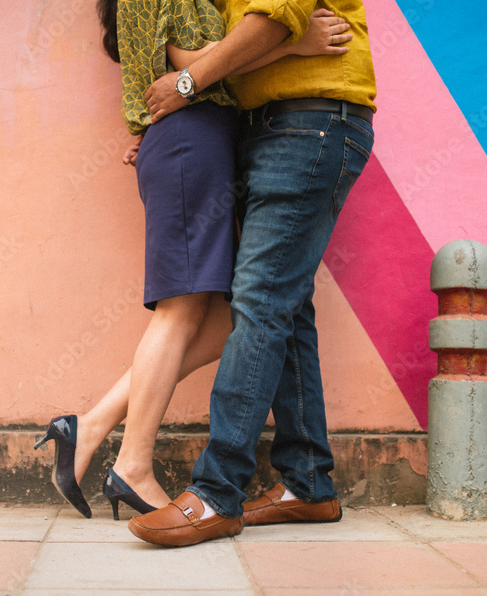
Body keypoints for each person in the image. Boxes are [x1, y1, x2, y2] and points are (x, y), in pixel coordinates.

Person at [34, 0, 354, 521]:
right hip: (193, 139)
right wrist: (294, 44)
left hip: (197, 140)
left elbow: (182, 70)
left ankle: (90, 425)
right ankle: (132, 465)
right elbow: (194, 63)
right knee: (184, 311)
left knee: (238, 311)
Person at [127, 0, 377, 545]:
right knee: (286, 304)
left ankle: (218, 492)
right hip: (274, 128)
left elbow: (271, 18)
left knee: (260, 300)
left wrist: (187, 84)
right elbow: (245, 44)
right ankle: (309, 485)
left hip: (310, 121)